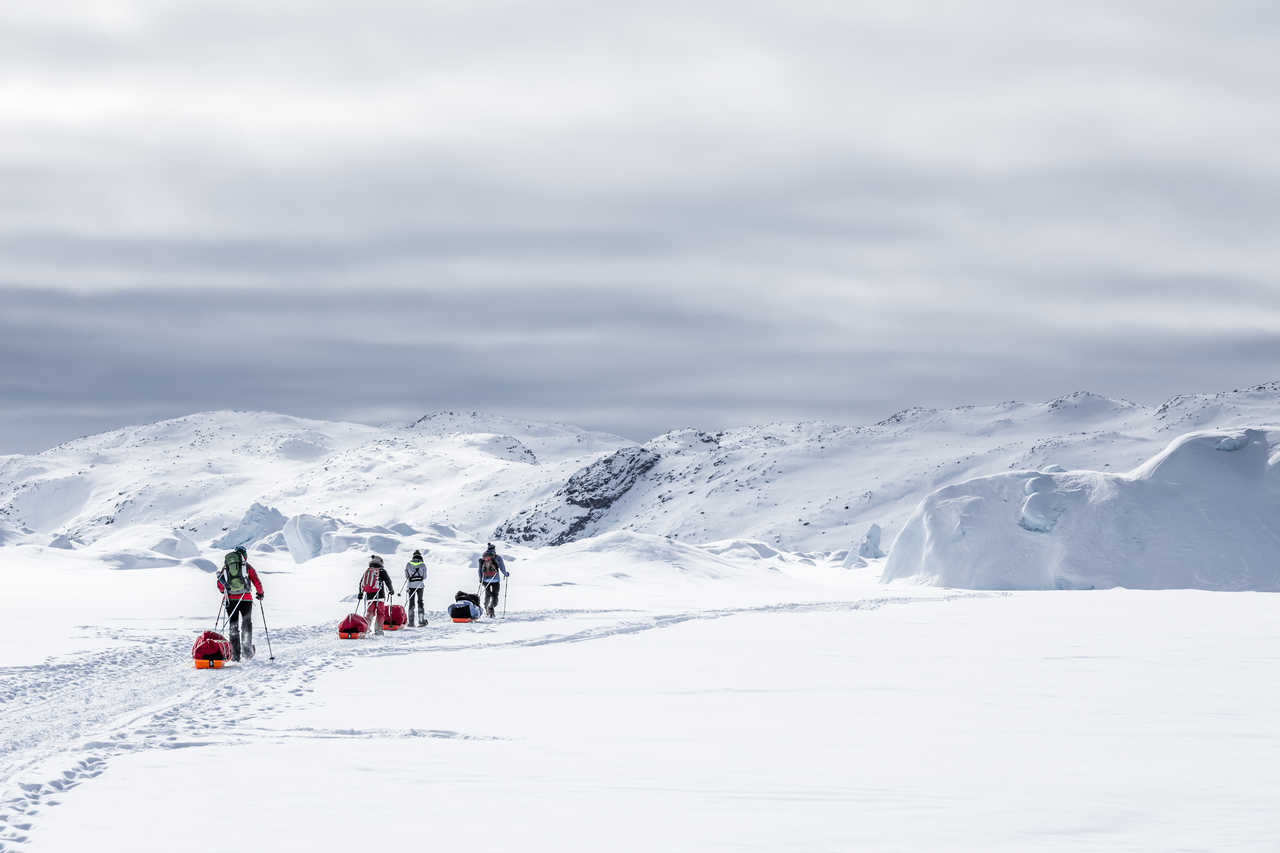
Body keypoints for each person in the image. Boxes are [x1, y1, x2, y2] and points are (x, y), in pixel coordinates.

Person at [217, 546, 264, 661]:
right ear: (244, 555)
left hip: (230, 600)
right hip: (246, 599)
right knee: (246, 624)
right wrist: (260, 593)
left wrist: (225, 591)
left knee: (233, 625)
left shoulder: (226, 567)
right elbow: (256, 581)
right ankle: (247, 652)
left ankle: (235, 655)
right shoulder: (247, 567)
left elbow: (220, 585)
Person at [357, 554, 396, 635]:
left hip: (369, 596)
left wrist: (360, 593)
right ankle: (378, 630)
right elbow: (388, 581)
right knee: (380, 613)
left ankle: (366, 629)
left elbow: (361, 583)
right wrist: (391, 590)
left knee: (369, 613)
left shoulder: (367, 571)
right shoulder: (382, 571)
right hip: (380, 596)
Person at [477, 543, 509, 618]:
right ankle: (491, 608)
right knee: (495, 595)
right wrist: (506, 574)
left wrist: (480, 578)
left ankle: (487, 610)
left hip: (485, 580)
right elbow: (502, 568)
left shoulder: (483, 558)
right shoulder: (497, 557)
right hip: (495, 579)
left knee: (487, 595)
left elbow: (479, 570)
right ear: (494, 549)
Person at [404, 549, 428, 627]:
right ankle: (421, 621)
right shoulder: (423, 564)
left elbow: (407, 576)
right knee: (420, 602)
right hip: (420, 585)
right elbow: (425, 577)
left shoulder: (408, 564)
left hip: (411, 585)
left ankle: (411, 622)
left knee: (411, 603)